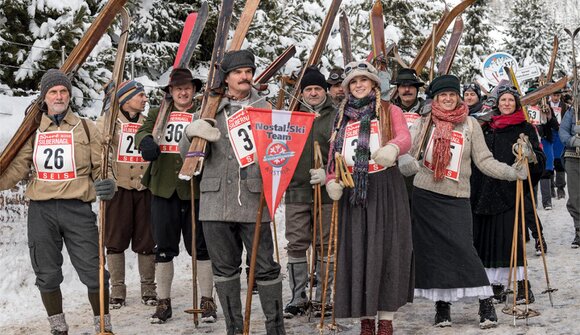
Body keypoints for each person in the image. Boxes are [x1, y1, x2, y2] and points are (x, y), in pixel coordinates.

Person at [402, 74, 528, 329]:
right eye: (442, 95)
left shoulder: (470, 124)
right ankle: (442, 306)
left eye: (452, 95)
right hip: (426, 196)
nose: (448, 99)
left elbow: (484, 161)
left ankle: (485, 301)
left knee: (464, 249)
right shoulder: (423, 124)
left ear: (459, 97)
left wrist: (511, 172)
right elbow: (407, 156)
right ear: (434, 99)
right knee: (432, 253)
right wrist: (405, 163)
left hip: (457, 196)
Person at [0, 69, 116, 334]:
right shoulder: (33, 131)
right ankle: (58, 327)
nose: (59, 96)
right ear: (45, 97)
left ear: (69, 95)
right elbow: (18, 168)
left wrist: (109, 183)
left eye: (63, 91)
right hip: (42, 211)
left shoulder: (86, 127)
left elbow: (103, 166)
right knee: (47, 272)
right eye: (53, 92)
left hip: (77, 208)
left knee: (94, 270)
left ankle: (103, 327)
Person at [181, 49, 285, 335]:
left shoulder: (265, 108)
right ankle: (234, 329)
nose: (245, 76)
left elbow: (282, 152)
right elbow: (185, 157)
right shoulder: (210, 108)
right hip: (215, 204)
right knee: (225, 270)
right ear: (226, 78)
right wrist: (192, 132)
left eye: (249, 71)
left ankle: (276, 329)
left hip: (254, 200)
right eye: (239, 72)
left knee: (265, 268)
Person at [325, 61, 414, 335]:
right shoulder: (342, 117)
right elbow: (333, 155)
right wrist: (331, 181)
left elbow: (405, 137)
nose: (359, 85)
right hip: (353, 190)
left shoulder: (389, 110)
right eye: (353, 82)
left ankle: (385, 320)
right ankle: (365, 319)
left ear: (374, 84)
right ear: (347, 87)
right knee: (358, 251)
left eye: (363, 80)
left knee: (386, 250)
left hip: (384, 187)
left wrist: (393, 148)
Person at [135, 68, 217, 324]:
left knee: (201, 247)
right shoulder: (159, 113)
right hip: (163, 187)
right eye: (178, 88)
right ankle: (163, 301)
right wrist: (145, 141)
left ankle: (207, 300)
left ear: (194, 90)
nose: (183, 92)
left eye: (188, 88)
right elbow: (143, 131)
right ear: (170, 91)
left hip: (194, 188)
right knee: (163, 248)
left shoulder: (203, 113)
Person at [471, 85, 545, 308]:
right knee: (490, 241)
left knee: (511, 239)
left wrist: (530, 156)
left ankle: (523, 284)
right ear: (497, 103)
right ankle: (496, 284)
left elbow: (539, 158)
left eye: (510, 101)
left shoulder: (525, 127)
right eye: (502, 100)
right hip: (486, 190)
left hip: (512, 192)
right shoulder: (487, 127)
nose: (506, 104)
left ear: (516, 104)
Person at [96, 80, 157, 309]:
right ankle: (118, 291)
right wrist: (109, 181)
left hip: (143, 187)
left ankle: (149, 288)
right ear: (125, 99)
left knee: (147, 239)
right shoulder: (109, 123)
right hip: (119, 188)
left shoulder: (147, 122)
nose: (144, 99)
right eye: (140, 95)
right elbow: (101, 155)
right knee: (115, 240)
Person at [283, 67, 337, 318]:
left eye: (317, 89)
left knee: (326, 244)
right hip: (297, 189)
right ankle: (298, 296)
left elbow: (343, 152)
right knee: (296, 243)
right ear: (302, 92)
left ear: (325, 90)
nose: (313, 93)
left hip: (326, 191)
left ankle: (323, 297)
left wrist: (329, 176)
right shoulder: (292, 117)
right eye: (308, 89)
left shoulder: (337, 116)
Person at [559, 104, 580, 248]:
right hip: (573, 158)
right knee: (575, 197)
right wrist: (574, 140)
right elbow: (563, 132)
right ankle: (579, 231)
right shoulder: (573, 111)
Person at [548, 89, 568, 199]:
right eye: (554, 95)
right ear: (550, 95)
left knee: (559, 161)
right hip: (549, 134)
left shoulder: (564, 106)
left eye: (558, 95)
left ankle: (561, 188)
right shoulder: (545, 104)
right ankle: (551, 188)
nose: (556, 97)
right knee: (549, 162)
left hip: (560, 135)